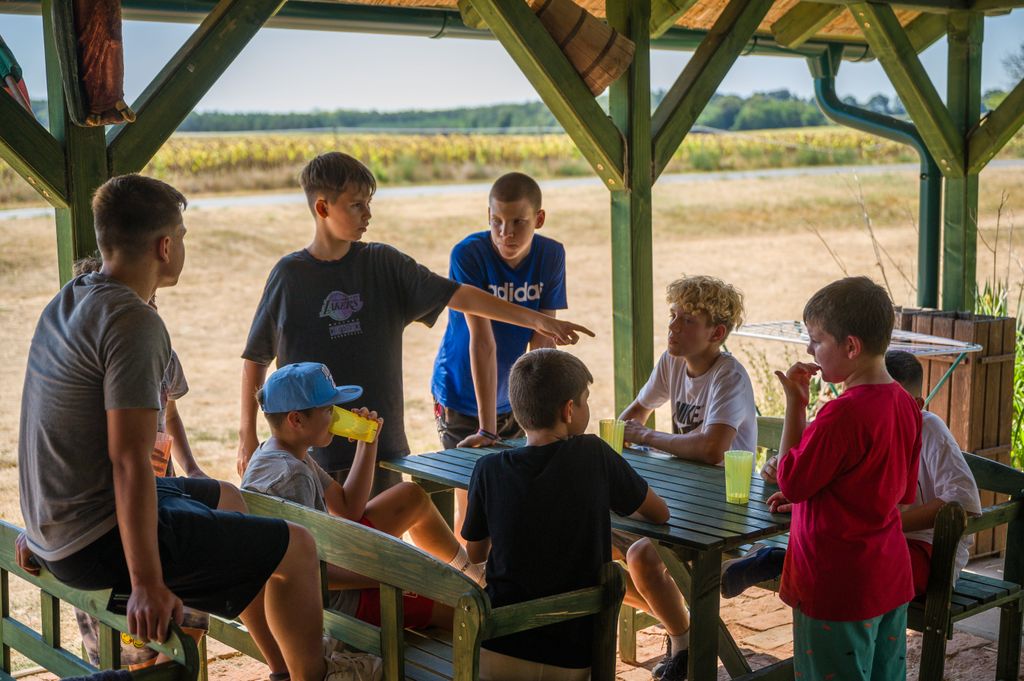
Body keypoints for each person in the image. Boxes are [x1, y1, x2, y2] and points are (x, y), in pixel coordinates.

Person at [16, 174, 370, 681]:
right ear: (164, 246)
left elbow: (42, 423)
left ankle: (279, 668)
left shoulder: (70, 299)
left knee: (228, 498)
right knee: (299, 547)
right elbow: (129, 459)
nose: (182, 244)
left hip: (60, 528)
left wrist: (39, 525)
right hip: (95, 538)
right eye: (181, 235)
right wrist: (146, 581)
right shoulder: (134, 321)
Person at [237, 153, 593, 495]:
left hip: (382, 442)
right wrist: (247, 436)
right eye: (357, 205)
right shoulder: (289, 276)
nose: (368, 214)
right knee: (332, 553)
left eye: (369, 204)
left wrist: (539, 321)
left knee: (390, 536)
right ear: (322, 207)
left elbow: (461, 296)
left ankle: (462, 562)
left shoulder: (384, 264)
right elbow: (257, 358)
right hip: (313, 452)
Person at [462, 348, 670, 681]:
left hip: (497, 647)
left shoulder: (487, 469)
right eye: (585, 400)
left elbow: (475, 553)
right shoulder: (593, 454)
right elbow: (659, 513)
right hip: (573, 653)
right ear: (569, 410)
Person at [242, 362, 481, 631]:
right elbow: (308, 572)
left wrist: (368, 442)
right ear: (296, 419)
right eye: (329, 410)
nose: (335, 418)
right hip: (335, 599)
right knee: (461, 613)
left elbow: (347, 509)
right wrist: (390, 574)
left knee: (408, 496)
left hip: (331, 564)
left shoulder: (280, 453)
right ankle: (473, 589)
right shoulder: (292, 477)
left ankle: (473, 576)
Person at [763, 277, 921, 681]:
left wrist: (795, 405)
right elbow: (900, 491)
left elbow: (793, 480)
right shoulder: (905, 405)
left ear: (851, 346)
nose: (808, 350)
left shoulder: (842, 414)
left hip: (836, 584)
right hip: (887, 576)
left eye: (816, 340)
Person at [735, 350, 982, 600]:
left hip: (926, 550)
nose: (877, 410)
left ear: (915, 405)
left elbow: (963, 501)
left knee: (850, 571)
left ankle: (780, 560)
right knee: (834, 556)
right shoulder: (865, 424)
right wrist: (809, 501)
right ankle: (779, 560)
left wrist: (885, 526)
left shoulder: (930, 429)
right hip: (870, 540)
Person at [614, 274, 757, 679]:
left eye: (687, 321)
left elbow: (713, 447)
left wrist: (645, 437)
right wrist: (628, 432)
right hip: (680, 496)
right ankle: (685, 622)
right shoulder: (672, 361)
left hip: (722, 507)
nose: (673, 327)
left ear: (717, 332)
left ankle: (683, 644)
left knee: (641, 554)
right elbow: (633, 416)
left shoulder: (729, 376)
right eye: (673, 316)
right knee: (588, 538)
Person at [69, 256, 209, 670]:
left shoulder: (161, 349)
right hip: (110, 506)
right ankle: (137, 668)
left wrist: (192, 466)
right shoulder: (90, 366)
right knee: (122, 623)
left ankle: (166, 668)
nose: (150, 311)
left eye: (151, 302)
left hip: (160, 490)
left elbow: (172, 413)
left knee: (184, 605)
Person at [431, 171, 566, 540]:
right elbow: (482, 341)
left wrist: (541, 415)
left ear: (538, 219)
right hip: (463, 393)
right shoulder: (468, 255)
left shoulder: (551, 254)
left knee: (518, 496)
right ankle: (471, 585)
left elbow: (542, 341)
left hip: (516, 394)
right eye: (497, 221)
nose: (506, 233)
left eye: (518, 222)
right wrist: (486, 428)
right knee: (474, 499)